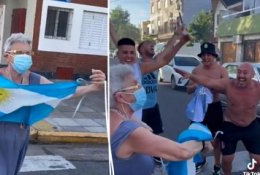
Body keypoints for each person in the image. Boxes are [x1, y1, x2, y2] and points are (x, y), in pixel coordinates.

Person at [0, 33, 105, 175]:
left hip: (20, 133)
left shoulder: (36, 80)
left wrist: (92, 87)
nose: (25, 56)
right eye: (19, 52)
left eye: (28, 53)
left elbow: (60, 92)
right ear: (7, 56)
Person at [110, 64, 212, 175]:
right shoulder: (130, 132)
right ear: (120, 97)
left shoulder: (113, 115)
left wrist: (140, 123)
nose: (140, 88)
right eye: (135, 86)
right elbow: (182, 152)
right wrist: (202, 143)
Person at [175, 62, 260, 175]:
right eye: (239, 72)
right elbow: (209, 81)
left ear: (253, 74)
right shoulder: (229, 85)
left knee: (257, 160)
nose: (241, 75)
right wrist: (191, 76)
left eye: (245, 73)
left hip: (251, 126)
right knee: (227, 159)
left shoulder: (258, 88)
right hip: (230, 125)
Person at [110, 22, 191, 121]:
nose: (152, 45)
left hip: (151, 106)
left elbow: (166, 54)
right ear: (141, 50)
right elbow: (120, 45)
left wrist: (179, 39)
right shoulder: (137, 66)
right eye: (148, 43)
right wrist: (110, 27)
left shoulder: (151, 63)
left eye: (131, 52)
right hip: (136, 110)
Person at [186, 42, 228, 174]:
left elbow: (226, 88)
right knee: (196, 136)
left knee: (217, 138)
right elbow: (188, 89)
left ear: (214, 56)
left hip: (214, 107)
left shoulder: (221, 70)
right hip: (199, 108)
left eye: (209, 55)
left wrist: (214, 87)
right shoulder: (196, 70)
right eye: (203, 55)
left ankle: (217, 165)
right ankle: (200, 160)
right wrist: (197, 85)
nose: (206, 58)